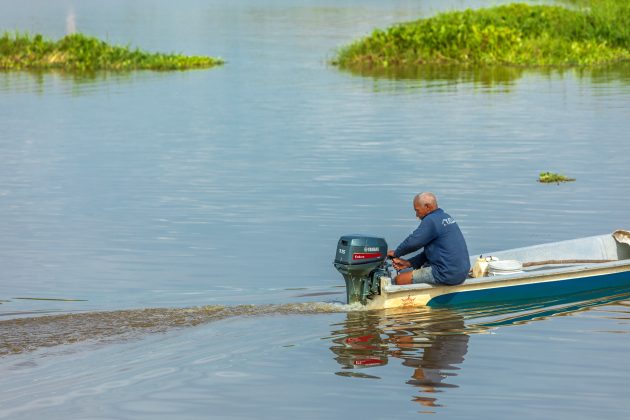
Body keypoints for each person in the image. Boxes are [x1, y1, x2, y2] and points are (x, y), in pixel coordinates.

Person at [387, 192, 470, 286]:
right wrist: (409, 263)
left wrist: (396, 253)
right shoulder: (445, 217)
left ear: (427, 207)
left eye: (417, 210)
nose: (416, 215)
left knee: (399, 280)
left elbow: (413, 242)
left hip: (446, 273)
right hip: (461, 271)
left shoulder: (431, 220)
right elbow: (433, 251)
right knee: (410, 271)